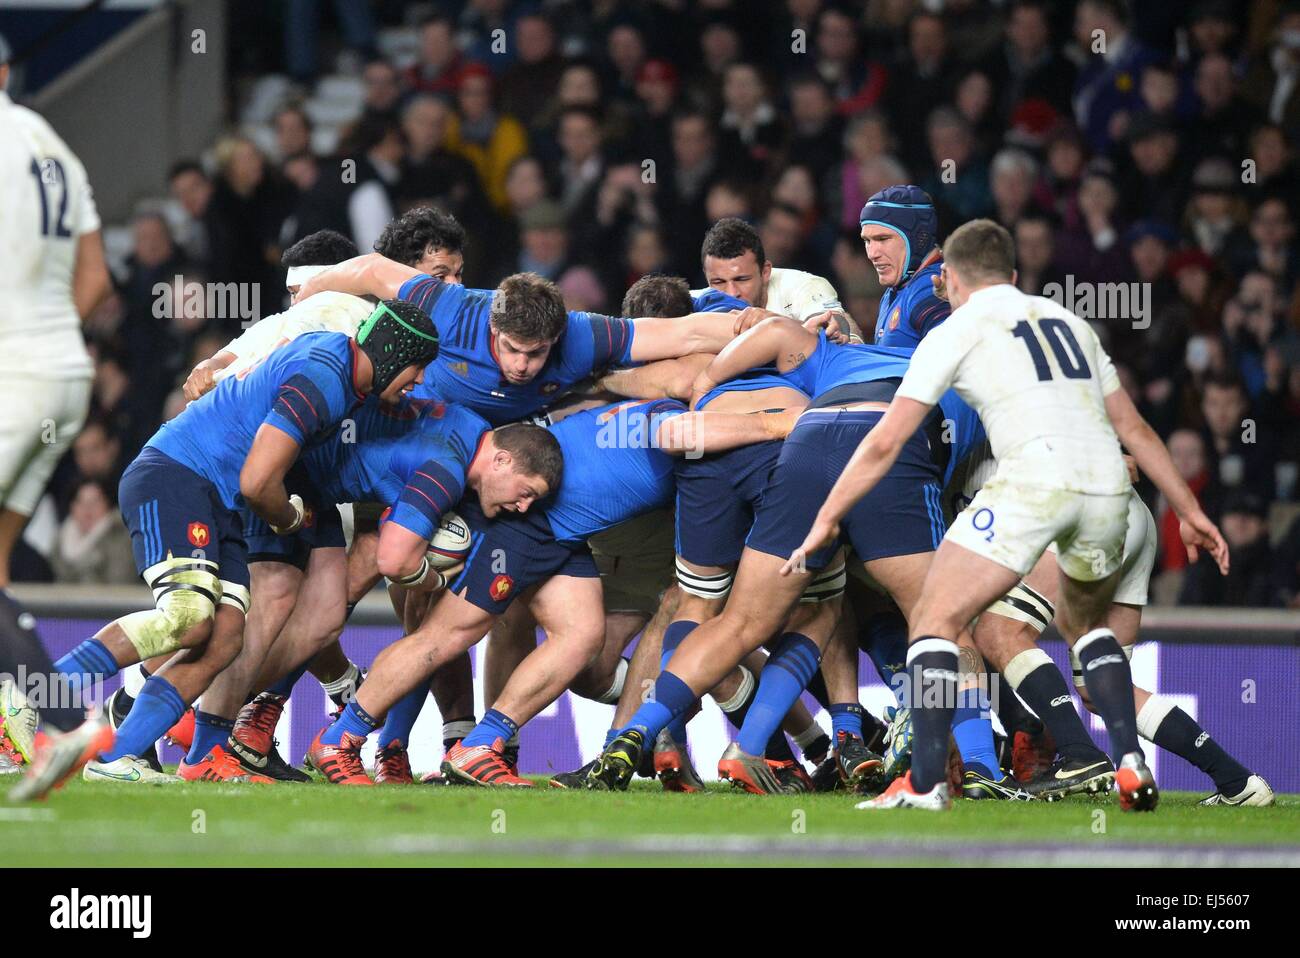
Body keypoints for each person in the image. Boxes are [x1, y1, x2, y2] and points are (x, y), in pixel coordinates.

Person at [787, 219, 1228, 812]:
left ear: (951, 280)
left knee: (936, 616)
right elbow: (1135, 429)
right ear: (1014, 276)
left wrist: (828, 515)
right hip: (1107, 490)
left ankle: (924, 785)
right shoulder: (1071, 324)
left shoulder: (954, 329)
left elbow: (886, 441)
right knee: (1083, 630)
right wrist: (1189, 508)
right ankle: (1125, 760)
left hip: (1033, 484)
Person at [49, 298, 442, 784]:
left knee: (224, 639)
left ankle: (118, 757)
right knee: (189, 618)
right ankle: (37, 692)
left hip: (219, 503)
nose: (419, 380)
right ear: (391, 354)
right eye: (417, 368)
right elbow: (259, 483)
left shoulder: (340, 371)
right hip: (178, 476)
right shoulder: (323, 378)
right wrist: (291, 517)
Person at [1, 36, 115, 801]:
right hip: (62, 372)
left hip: (15, 374)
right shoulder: (52, 145)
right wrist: (50, 349)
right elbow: (98, 276)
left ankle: (60, 721)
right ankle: (26, 736)